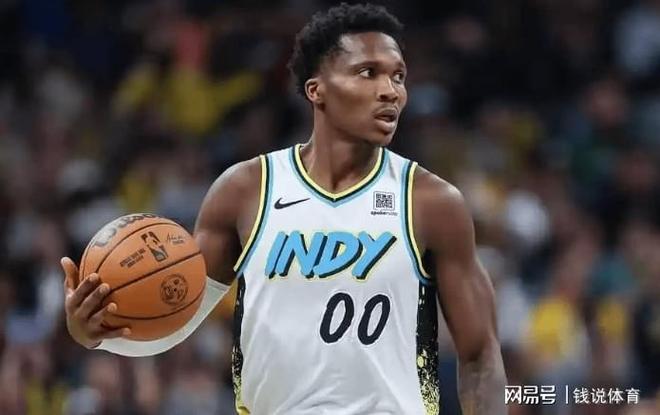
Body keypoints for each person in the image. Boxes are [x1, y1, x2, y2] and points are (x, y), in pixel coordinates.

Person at [61, 3, 507, 414]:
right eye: (368, 73)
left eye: (399, 77)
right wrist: (96, 335)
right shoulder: (245, 190)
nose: (390, 91)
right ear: (317, 90)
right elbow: (175, 320)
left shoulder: (432, 202)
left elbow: (480, 355)